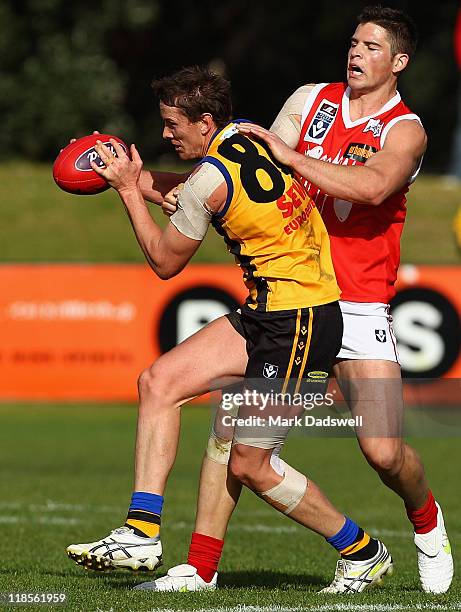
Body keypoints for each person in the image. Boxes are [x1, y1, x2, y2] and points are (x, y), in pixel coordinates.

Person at [136, 6, 453, 595]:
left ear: (399, 62)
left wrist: (295, 158)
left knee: (383, 452)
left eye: (372, 47)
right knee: (232, 429)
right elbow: (251, 179)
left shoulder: (404, 130)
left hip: (356, 306)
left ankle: (426, 522)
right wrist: (144, 186)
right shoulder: (311, 100)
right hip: (293, 295)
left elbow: (372, 186)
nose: (356, 53)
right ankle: (200, 568)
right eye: (354, 42)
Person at [66, 65, 393, 593]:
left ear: (205, 121)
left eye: (173, 125)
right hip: (272, 310)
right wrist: (126, 175)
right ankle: (144, 533)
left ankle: (363, 552)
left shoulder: (208, 183)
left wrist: (129, 191)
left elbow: (165, 261)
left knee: (251, 464)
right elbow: (193, 192)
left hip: (300, 322)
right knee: (160, 382)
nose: (167, 134)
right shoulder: (243, 135)